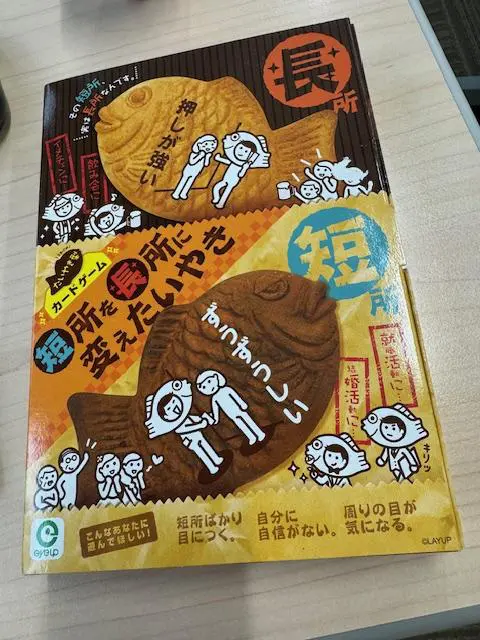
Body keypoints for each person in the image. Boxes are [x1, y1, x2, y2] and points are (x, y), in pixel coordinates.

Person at [145, 379, 225, 476]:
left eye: (174, 401)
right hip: (191, 441)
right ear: (165, 417)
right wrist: (200, 424)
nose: (174, 407)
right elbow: (188, 428)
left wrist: (202, 418)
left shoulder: (185, 417)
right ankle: (211, 467)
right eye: (169, 408)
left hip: (198, 435)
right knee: (201, 453)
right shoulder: (178, 427)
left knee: (206, 446)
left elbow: (193, 418)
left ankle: (216, 459)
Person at [361, 404, 429, 482]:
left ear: (402, 431)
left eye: (393, 428)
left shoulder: (402, 449)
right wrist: (382, 460)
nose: (389, 431)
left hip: (405, 467)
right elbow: (385, 454)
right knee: (399, 477)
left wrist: (413, 464)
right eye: (386, 427)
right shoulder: (388, 448)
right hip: (394, 467)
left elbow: (408, 455)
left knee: (403, 478)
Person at [196, 369, 265, 446]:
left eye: (209, 381)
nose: (209, 387)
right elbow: (215, 410)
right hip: (231, 415)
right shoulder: (214, 399)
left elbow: (235, 396)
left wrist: (242, 404)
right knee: (241, 425)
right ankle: (251, 437)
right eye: (204, 387)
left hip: (239, 409)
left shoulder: (227, 389)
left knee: (248, 421)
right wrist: (214, 418)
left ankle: (259, 433)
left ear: (216, 377)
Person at [211, 131, 270, 209]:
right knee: (216, 187)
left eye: (246, 151)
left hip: (233, 181)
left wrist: (245, 168)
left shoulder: (242, 165)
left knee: (226, 192)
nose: (241, 152)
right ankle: (216, 198)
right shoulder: (234, 161)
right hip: (225, 179)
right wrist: (219, 158)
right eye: (240, 148)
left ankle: (221, 203)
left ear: (250, 155)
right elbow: (228, 162)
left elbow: (240, 174)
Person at [172, 134, 218, 200]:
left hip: (196, 171)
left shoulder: (205, 155)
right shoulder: (194, 153)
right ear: (199, 144)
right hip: (188, 170)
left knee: (190, 182)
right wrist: (200, 156)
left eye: (212, 146)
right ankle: (176, 193)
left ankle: (183, 193)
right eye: (205, 144)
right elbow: (192, 162)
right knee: (183, 181)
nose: (208, 147)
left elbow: (206, 164)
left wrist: (207, 157)